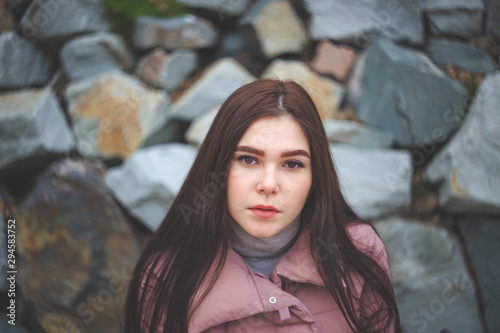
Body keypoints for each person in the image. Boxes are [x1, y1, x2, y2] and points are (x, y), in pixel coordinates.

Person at [124, 79, 400, 332]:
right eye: (248, 159)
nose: (268, 185)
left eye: (292, 164)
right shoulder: (165, 275)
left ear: (315, 178)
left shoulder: (358, 251)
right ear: (217, 168)